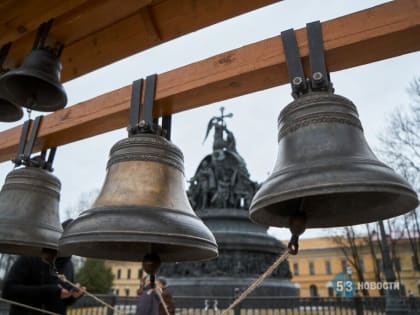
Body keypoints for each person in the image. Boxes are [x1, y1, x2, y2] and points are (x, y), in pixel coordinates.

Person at [1, 219, 85, 315]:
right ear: (58, 237)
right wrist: (51, 292)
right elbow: (8, 292)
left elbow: (62, 301)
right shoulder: (31, 256)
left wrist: (72, 297)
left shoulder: (69, 265)